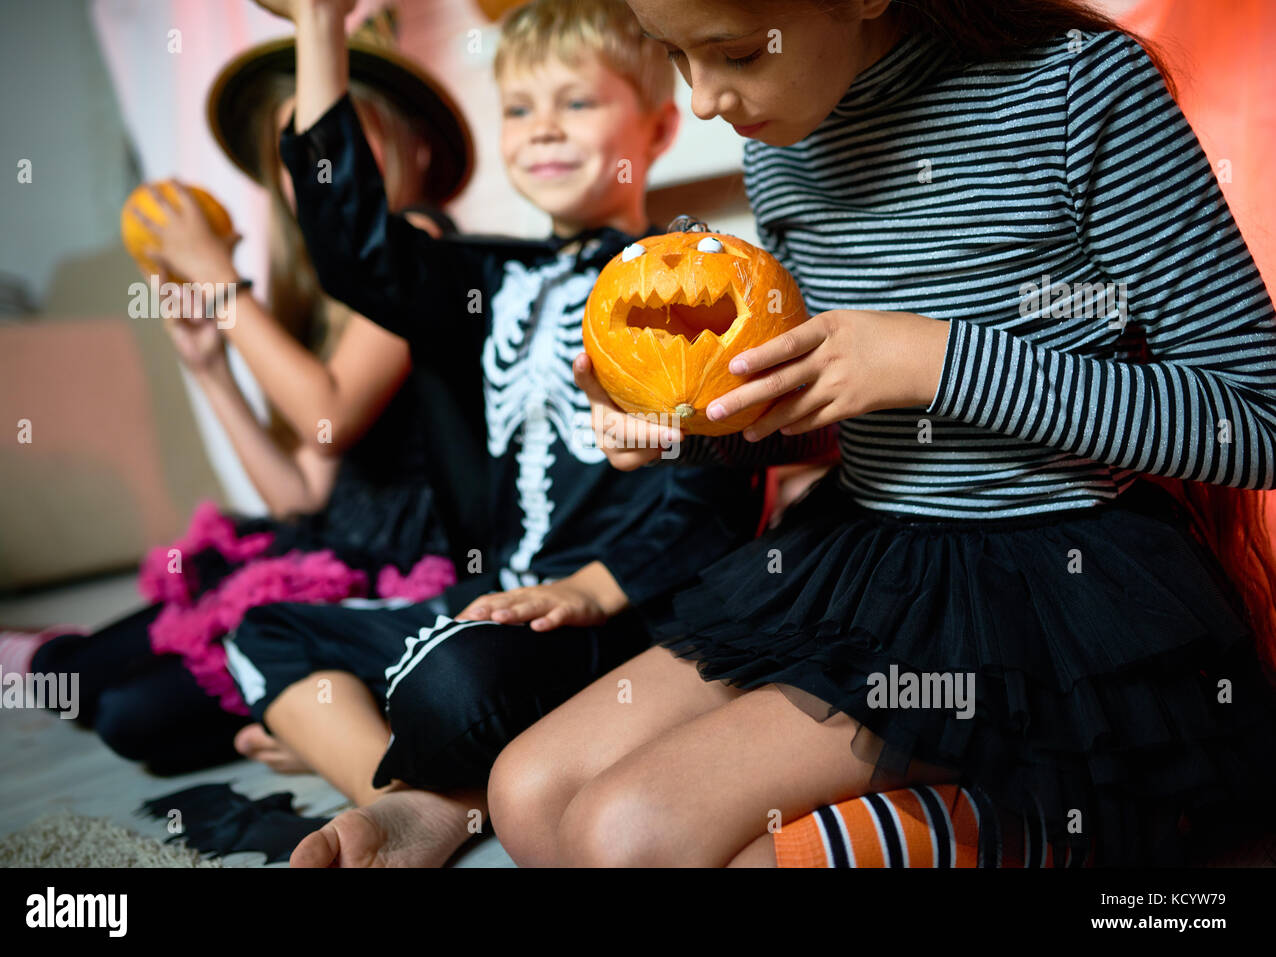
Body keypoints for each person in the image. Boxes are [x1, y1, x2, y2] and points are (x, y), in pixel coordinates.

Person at [487, 0, 1276, 867]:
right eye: (675, 55)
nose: (707, 98)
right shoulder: (778, 139)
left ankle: (1073, 806)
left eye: (736, 51)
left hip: (1045, 592)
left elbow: (1253, 420)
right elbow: (832, 418)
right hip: (860, 558)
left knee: (633, 834)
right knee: (529, 793)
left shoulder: (1076, 87)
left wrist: (935, 361)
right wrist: (692, 429)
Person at [217, 0, 793, 867]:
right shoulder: (478, 279)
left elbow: (721, 492)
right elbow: (352, 247)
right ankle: (406, 800)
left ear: (661, 125)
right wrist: (319, 30)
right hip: (492, 602)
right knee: (261, 631)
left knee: (455, 685)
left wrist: (593, 588)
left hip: (620, 618)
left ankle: (404, 748)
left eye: (579, 103)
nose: (544, 130)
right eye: (520, 108)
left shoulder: (688, 283)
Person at [29, 10, 477, 777]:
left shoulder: (424, 240)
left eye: (340, 141)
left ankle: (340, 714)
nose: (317, 169)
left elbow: (328, 418)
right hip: (328, 546)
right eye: (294, 152)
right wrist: (212, 368)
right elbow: (301, 491)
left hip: (405, 572)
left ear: (417, 147)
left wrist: (222, 284)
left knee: (127, 719)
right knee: (65, 676)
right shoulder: (322, 300)